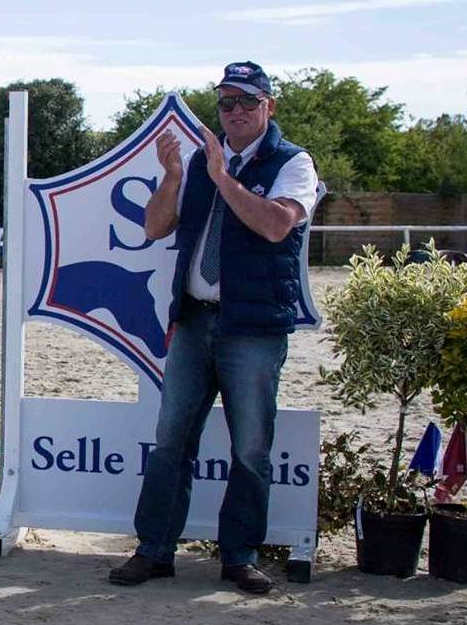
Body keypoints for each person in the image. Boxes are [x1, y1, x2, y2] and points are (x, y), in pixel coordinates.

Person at [108, 61, 319, 595]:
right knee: (170, 442)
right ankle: (154, 550)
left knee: (250, 447)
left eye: (249, 101)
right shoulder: (201, 162)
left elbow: (276, 224)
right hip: (196, 320)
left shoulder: (293, 163)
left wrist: (224, 176)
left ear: (269, 106)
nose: (237, 112)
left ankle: (240, 557)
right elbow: (156, 226)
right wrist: (176, 176)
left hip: (254, 327)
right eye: (227, 103)